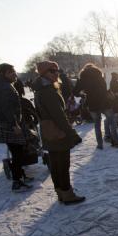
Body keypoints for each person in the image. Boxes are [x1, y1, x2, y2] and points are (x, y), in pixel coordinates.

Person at [32, 61, 85, 204]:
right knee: (62, 164)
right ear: (44, 73)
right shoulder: (48, 90)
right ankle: (67, 194)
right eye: (52, 71)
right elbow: (58, 116)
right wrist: (71, 133)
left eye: (57, 70)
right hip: (57, 132)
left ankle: (61, 192)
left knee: (56, 163)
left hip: (49, 131)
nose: (56, 73)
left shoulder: (42, 88)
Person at [0, 63, 33, 191]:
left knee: (17, 152)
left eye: (14, 71)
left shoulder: (3, 85)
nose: (14, 74)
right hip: (9, 124)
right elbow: (7, 108)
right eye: (11, 72)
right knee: (17, 153)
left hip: (7, 123)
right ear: (3, 74)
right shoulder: (4, 87)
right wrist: (14, 124)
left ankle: (20, 176)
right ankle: (17, 181)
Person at [73, 63, 118, 148]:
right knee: (111, 120)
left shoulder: (82, 78)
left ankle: (100, 144)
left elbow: (75, 92)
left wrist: (83, 95)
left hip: (92, 103)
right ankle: (115, 141)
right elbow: (105, 88)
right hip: (105, 102)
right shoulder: (100, 75)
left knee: (97, 124)